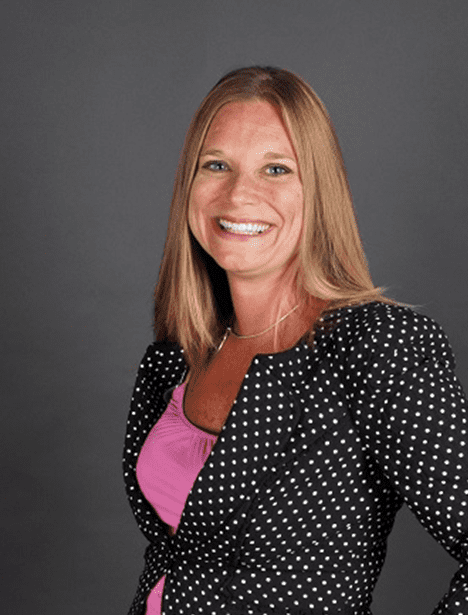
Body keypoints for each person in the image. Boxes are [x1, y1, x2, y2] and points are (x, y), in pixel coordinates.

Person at [122, 66, 468, 615]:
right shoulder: (174, 357)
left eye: (276, 169)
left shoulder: (378, 346)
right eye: (216, 165)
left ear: (319, 191)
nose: (239, 194)